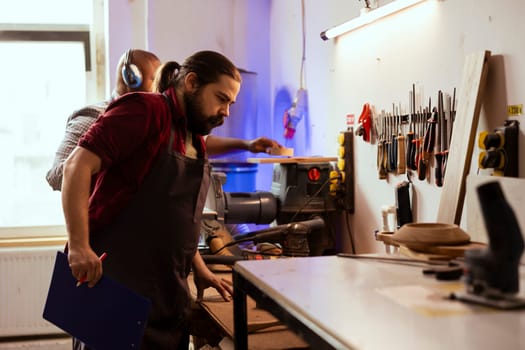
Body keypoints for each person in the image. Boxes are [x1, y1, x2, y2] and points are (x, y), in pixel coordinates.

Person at [61, 50, 258, 349]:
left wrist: (200, 268)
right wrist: (78, 245)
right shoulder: (145, 110)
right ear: (191, 82)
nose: (226, 112)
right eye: (220, 98)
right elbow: (75, 166)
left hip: (166, 291)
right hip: (118, 287)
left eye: (231, 103)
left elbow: (173, 215)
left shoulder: (191, 135)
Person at [47, 50, 281, 191]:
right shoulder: (91, 116)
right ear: (132, 77)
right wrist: (119, 170)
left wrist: (246, 145)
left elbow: (199, 142)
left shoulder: (162, 117)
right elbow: (59, 174)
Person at [46, 49, 162, 191]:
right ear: (131, 78)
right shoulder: (90, 117)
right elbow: (56, 177)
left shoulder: (154, 120)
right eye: (155, 79)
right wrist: (94, 162)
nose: (160, 89)